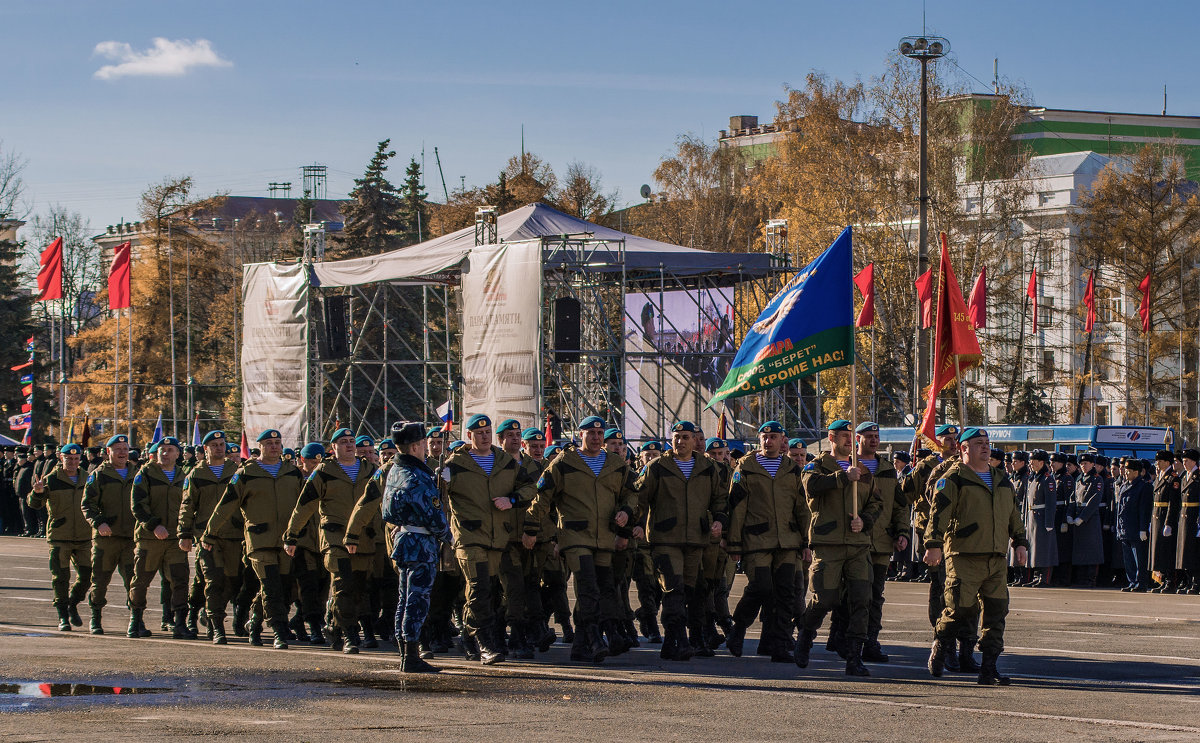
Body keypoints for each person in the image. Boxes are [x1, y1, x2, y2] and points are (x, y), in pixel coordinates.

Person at [523, 416, 637, 664]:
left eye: (599, 432)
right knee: (587, 586)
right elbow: (542, 497)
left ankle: (581, 645)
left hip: (604, 536)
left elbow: (631, 493)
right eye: (591, 433)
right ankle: (595, 638)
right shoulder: (565, 462)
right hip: (574, 535)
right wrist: (531, 528)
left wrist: (626, 513)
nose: (596, 437)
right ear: (580, 434)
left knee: (605, 587)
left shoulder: (615, 464)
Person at [924, 427, 1028, 686]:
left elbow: (1013, 514)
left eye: (987, 443)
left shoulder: (1002, 479)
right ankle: (941, 643)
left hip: (995, 558)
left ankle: (989, 667)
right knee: (959, 609)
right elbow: (938, 515)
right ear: (964, 449)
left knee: (996, 612)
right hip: (964, 556)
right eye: (978, 443)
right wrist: (933, 544)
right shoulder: (952, 479)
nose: (985, 447)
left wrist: (1020, 542)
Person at [351, 421, 451, 673]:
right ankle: (411, 654)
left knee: (404, 599)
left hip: (404, 540)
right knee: (417, 600)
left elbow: (386, 510)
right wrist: (448, 535)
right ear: (416, 446)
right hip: (420, 544)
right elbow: (433, 514)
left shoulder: (393, 470)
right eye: (424, 445)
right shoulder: (418, 476)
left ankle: (405, 649)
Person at [442, 414, 537, 665]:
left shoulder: (504, 461)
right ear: (469, 436)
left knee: (486, 591)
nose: (484, 436)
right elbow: (438, 497)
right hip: (469, 536)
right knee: (479, 587)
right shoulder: (456, 464)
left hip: (498, 537)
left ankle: (468, 635)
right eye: (478, 432)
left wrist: (513, 500)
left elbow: (530, 486)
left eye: (487, 432)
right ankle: (485, 643)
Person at [634, 421, 726, 661]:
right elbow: (639, 499)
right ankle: (680, 640)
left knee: (692, 591)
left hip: (696, 539)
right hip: (665, 539)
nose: (681, 441)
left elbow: (719, 499)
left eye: (686, 437)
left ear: (694, 440)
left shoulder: (707, 467)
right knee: (673, 590)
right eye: (677, 437)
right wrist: (633, 523)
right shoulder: (657, 467)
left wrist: (718, 520)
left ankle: (683, 641)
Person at [797, 420, 883, 677]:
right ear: (831, 438)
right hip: (829, 543)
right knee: (825, 598)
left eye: (850, 436)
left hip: (858, 546)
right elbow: (811, 487)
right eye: (844, 436)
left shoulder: (863, 471)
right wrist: (842, 477)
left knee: (861, 600)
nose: (849, 440)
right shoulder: (817, 465)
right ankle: (805, 636)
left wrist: (865, 520)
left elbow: (876, 504)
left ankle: (854, 657)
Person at [284, 427, 380, 653]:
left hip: (362, 538)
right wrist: (292, 534)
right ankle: (349, 635)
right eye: (343, 441)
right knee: (343, 585)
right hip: (334, 537)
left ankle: (335, 627)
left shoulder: (370, 470)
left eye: (351, 441)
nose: (349, 445)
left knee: (358, 588)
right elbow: (304, 505)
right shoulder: (324, 472)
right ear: (333, 447)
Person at [724, 421, 810, 664]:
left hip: (787, 541)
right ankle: (738, 629)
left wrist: (806, 541)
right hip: (756, 539)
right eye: (765, 436)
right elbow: (737, 507)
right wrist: (734, 543)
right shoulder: (746, 467)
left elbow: (801, 507)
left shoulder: (792, 468)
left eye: (774, 436)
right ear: (759, 439)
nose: (769, 440)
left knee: (786, 594)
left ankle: (779, 644)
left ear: (782, 440)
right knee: (761, 587)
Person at [827, 422, 906, 664]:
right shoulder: (849, 466)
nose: (874, 440)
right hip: (851, 540)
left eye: (876, 436)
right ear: (857, 439)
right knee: (848, 593)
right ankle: (840, 635)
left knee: (874, 594)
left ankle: (869, 640)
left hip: (881, 542)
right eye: (868, 436)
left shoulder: (887, 469)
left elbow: (898, 504)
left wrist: (902, 531)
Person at [177, 431, 239, 644]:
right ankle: (216, 625)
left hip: (233, 534)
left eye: (222, 444)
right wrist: (184, 534)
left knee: (232, 580)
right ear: (206, 449)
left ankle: (205, 611)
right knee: (213, 580)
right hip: (206, 536)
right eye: (214, 445)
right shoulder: (196, 474)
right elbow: (187, 506)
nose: (220, 448)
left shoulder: (236, 471)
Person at [128, 437, 191, 639]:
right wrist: (153, 525)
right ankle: (135, 621)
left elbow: (189, 506)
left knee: (179, 581)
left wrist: (186, 532)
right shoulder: (145, 473)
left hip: (175, 539)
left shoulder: (184, 476)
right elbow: (137, 504)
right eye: (162, 449)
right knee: (140, 581)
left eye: (170, 450)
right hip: (150, 539)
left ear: (178, 454)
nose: (165, 453)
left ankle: (180, 623)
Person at [28, 443, 91, 631]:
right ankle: (63, 614)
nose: (72, 462)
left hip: (84, 536)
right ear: (60, 458)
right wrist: (37, 493)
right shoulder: (51, 479)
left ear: (80, 459)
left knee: (88, 576)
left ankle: (72, 603)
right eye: (68, 458)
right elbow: (34, 504)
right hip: (59, 535)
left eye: (76, 459)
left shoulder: (88, 479)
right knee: (60, 577)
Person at [1114, 459, 1153, 592]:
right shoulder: (1124, 485)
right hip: (1125, 527)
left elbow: (1144, 509)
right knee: (1128, 558)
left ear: (1136, 472)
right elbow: (1120, 509)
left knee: (1139, 558)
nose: (1125, 473)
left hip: (1136, 527)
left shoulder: (1144, 486)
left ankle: (1141, 583)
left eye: (1128, 471)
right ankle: (1132, 581)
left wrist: (1143, 528)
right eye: (1125, 470)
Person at [1022, 450, 1058, 587]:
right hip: (1032, 518)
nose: (1030, 463)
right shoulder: (1032, 478)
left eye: (1033, 461)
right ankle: (1037, 576)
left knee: (1044, 549)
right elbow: (1027, 502)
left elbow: (1050, 503)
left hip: (1042, 518)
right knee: (1034, 549)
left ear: (1041, 462)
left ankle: (1044, 577)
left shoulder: (1048, 479)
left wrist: (1049, 522)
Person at [1068, 453, 1104, 586]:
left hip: (1090, 519)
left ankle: (1090, 578)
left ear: (1092, 464)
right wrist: (1070, 514)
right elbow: (1073, 497)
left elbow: (1094, 500)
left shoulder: (1097, 479)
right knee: (1081, 550)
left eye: (1086, 463)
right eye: (1082, 464)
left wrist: (1082, 517)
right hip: (1078, 515)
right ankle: (1081, 578)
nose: (1083, 466)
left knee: (1092, 550)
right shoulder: (1079, 478)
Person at [1149, 451, 1181, 592]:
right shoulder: (1160, 477)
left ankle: (1170, 581)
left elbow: (1173, 503)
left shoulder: (1172, 478)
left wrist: (1168, 523)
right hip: (1157, 516)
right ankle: (1161, 580)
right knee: (1159, 551)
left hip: (1165, 517)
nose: (1157, 463)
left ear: (1167, 463)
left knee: (1167, 551)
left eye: (1160, 461)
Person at [1175, 449, 1200, 594]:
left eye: (1186, 461)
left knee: (1194, 552)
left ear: (1194, 461)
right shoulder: (1185, 476)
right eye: (1183, 461)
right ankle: (1189, 580)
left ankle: (1196, 583)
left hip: (1194, 518)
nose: (1184, 463)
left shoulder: (1198, 476)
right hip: (1184, 517)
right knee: (1185, 553)